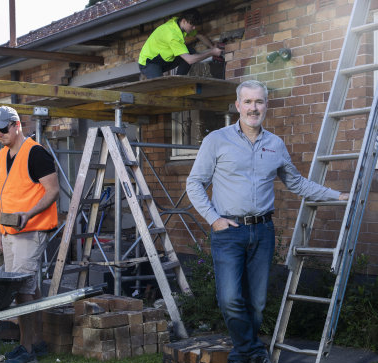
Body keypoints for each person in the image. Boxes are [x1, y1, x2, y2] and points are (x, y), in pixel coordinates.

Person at [186, 80, 349, 363]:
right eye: (247, 102)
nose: (253, 107)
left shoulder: (275, 144)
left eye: (259, 102)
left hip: (263, 232)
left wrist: (337, 195)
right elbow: (194, 183)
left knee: (257, 304)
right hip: (229, 232)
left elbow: (297, 183)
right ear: (238, 105)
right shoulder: (217, 140)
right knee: (230, 299)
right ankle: (251, 352)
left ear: (266, 106)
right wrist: (214, 219)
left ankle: (243, 354)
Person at [0, 106, 59, 363]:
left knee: (21, 289)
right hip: (8, 234)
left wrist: (28, 214)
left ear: (16, 125)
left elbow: (52, 191)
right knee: (30, 287)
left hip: (31, 231)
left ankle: (25, 350)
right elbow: (3, 199)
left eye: (2, 129)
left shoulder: (36, 153)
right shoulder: (2, 155)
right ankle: (37, 342)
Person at [138, 8, 223, 79]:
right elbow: (190, 60)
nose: (194, 28)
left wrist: (212, 47)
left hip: (164, 60)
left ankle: (179, 78)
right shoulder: (173, 35)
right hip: (149, 63)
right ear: (184, 21)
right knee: (160, 88)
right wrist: (212, 52)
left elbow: (199, 34)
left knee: (190, 51)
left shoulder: (177, 22)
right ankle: (177, 81)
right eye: (192, 25)